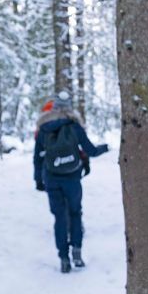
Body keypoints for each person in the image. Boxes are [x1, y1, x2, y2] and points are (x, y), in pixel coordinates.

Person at [33, 91, 109, 273]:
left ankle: (63, 258)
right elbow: (90, 150)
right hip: (73, 177)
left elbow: (37, 158)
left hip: (52, 178)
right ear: (70, 107)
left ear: (54, 106)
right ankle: (77, 251)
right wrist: (105, 147)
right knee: (75, 214)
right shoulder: (75, 126)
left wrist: (38, 180)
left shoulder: (44, 128)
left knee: (59, 217)